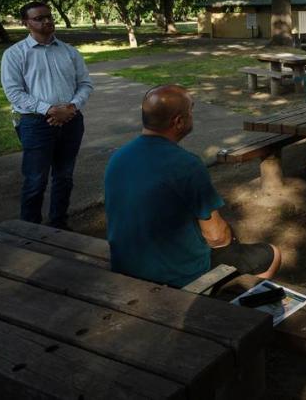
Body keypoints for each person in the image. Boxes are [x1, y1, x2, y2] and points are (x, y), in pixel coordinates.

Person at [104, 84, 281, 288]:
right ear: (179, 121)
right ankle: (234, 309)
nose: (192, 116)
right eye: (191, 111)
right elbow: (217, 238)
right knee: (272, 254)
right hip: (179, 276)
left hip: (126, 265)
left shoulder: (118, 157)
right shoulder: (185, 164)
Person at [1, 1, 93, 229]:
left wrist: (71, 108)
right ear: (26, 23)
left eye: (49, 16)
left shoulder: (69, 51)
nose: (47, 21)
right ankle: (30, 228)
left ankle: (58, 223)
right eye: (39, 18)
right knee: (35, 180)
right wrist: (50, 110)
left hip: (71, 121)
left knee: (64, 176)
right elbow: (14, 93)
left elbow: (85, 84)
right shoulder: (14, 54)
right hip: (35, 123)